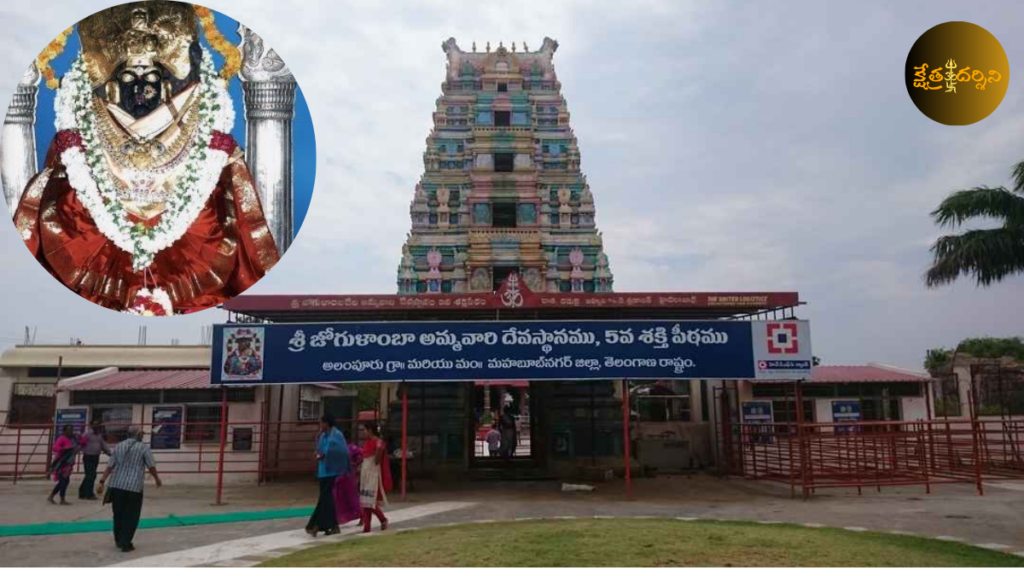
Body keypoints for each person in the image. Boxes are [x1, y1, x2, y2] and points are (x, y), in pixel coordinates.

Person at [12, 2, 280, 315]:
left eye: (150, 76)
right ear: (111, 87)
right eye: (128, 77)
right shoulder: (79, 136)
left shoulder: (209, 140)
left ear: (167, 85)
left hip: (190, 265)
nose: (140, 87)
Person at [97, 426, 162, 553]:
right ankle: (126, 543)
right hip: (134, 487)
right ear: (138, 435)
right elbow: (151, 465)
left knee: (118, 514)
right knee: (131, 515)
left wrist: (102, 481)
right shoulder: (143, 447)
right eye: (141, 433)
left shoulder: (119, 446)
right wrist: (157, 478)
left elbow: (110, 466)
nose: (143, 435)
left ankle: (118, 540)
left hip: (116, 485)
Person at [305, 414, 349, 537]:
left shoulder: (337, 435)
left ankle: (317, 525)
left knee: (325, 499)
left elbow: (342, 451)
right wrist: (319, 452)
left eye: (322, 423)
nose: (320, 425)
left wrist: (325, 455)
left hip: (333, 471)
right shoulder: (323, 436)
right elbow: (319, 450)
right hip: (323, 470)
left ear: (327, 423)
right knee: (326, 499)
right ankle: (333, 525)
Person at [358, 423, 392, 533]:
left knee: (369, 501)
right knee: (365, 501)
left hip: (373, 474)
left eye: (365, 430)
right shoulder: (367, 442)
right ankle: (369, 526)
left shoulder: (378, 442)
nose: (364, 432)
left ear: (370, 430)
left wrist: (378, 449)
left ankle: (379, 521)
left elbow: (377, 461)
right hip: (365, 474)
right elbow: (365, 458)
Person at [48, 425, 82, 505]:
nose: (70, 431)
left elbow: (82, 443)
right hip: (62, 462)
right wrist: (65, 448)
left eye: (71, 430)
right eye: (68, 430)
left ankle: (51, 496)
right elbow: (54, 448)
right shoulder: (61, 438)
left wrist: (79, 437)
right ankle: (62, 499)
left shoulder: (73, 438)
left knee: (65, 481)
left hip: (69, 463)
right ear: (64, 431)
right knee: (63, 481)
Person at [79, 420, 111, 500]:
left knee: (89, 475)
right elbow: (81, 443)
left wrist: (110, 453)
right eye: (94, 425)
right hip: (88, 457)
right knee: (91, 475)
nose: (96, 426)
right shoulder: (87, 434)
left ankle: (82, 492)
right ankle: (89, 494)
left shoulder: (99, 435)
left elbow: (103, 445)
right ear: (91, 425)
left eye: (98, 425)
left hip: (96, 457)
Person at [334, 442, 363, 528]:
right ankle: (338, 518)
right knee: (338, 497)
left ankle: (362, 516)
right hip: (339, 476)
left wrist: (355, 464)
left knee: (352, 498)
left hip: (349, 476)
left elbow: (362, 454)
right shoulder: (338, 448)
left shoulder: (352, 447)